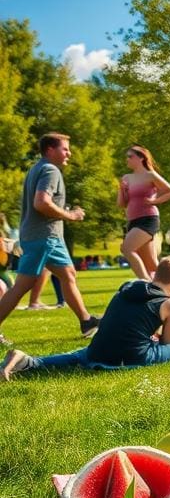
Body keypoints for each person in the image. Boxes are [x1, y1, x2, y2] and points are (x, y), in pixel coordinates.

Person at [1, 256, 170, 380]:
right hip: (131, 357)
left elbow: (128, 320)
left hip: (97, 350)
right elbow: (169, 342)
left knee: (78, 356)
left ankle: (29, 361)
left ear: (156, 274)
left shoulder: (128, 285)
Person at [0, 133, 99, 345]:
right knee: (22, 285)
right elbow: (41, 203)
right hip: (43, 237)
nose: (69, 153)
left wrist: (63, 212)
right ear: (50, 150)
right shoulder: (50, 170)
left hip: (46, 236)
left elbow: (43, 204)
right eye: (65, 149)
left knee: (68, 274)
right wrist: (70, 215)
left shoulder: (37, 168)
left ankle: (86, 321)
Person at [118, 145, 170, 280]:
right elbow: (121, 204)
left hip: (148, 219)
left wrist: (154, 201)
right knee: (151, 265)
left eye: (130, 156)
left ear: (141, 158)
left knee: (127, 249)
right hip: (132, 221)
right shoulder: (126, 178)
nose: (127, 159)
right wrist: (122, 189)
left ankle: (145, 284)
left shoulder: (150, 175)